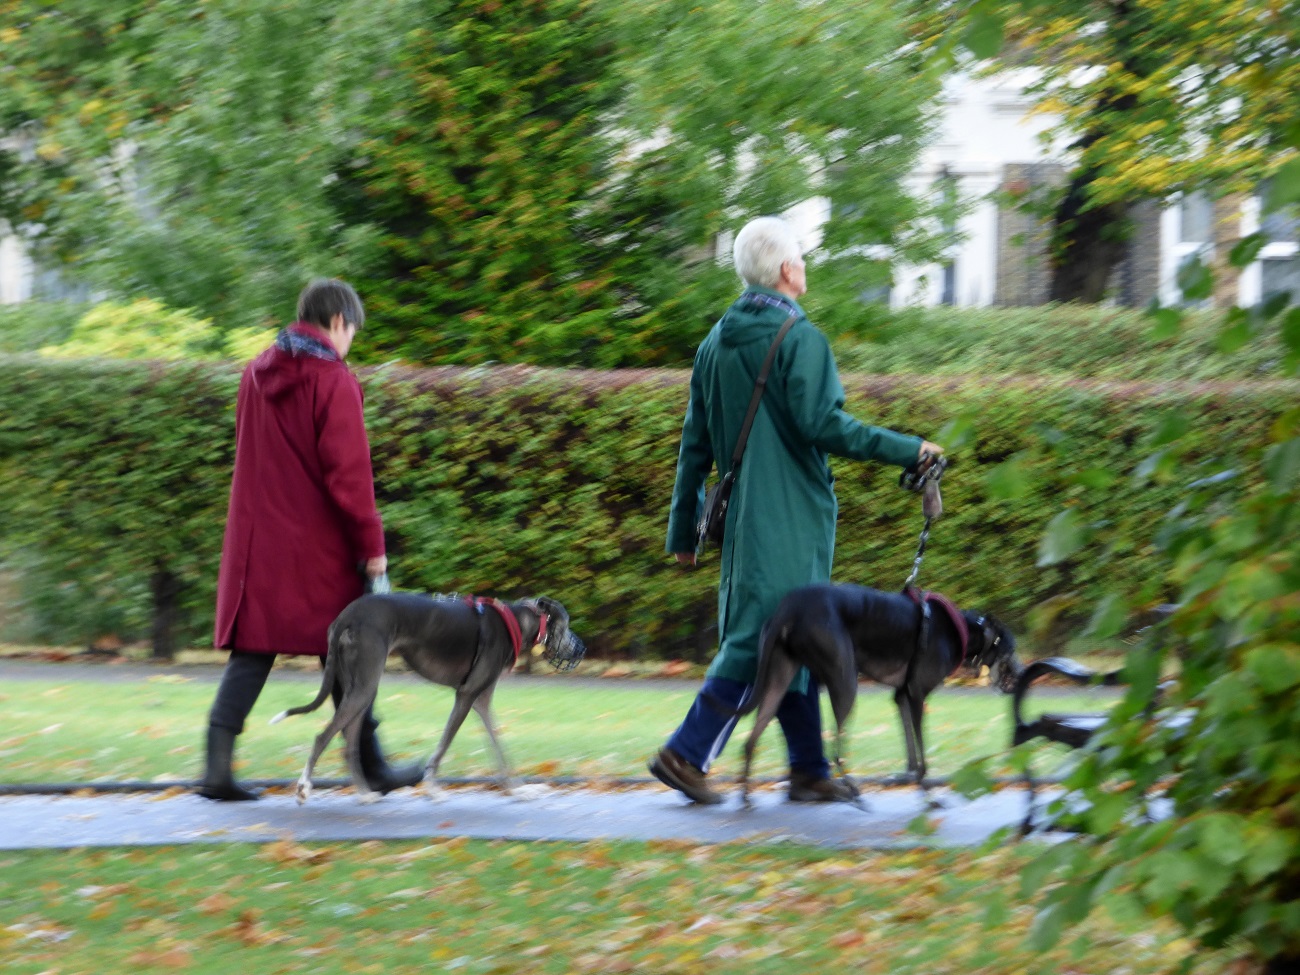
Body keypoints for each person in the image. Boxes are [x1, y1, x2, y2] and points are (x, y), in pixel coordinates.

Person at [650, 216, 944, 804]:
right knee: (760, 635)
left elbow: (694, 446)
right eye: (801, 259)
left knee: (801, 635)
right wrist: (910, 448)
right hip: (791, 517)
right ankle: (685, 754)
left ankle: (808, 770)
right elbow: (824, 425)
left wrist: (684, 527)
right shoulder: (801, 340)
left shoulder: (713, 343)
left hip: (742, 520)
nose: (804, 266)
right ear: (787, 271)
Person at [198, 278, 422, 801]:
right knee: (348, 649)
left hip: (257, 542)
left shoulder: (255, 372)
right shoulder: (333, 381)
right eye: (352, 334)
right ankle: (371, 766)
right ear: (339, 322)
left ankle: (216, 767)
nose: (350, 346)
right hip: (314, 548)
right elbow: (350, 476)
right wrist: (372, 547)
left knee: (254, 651)